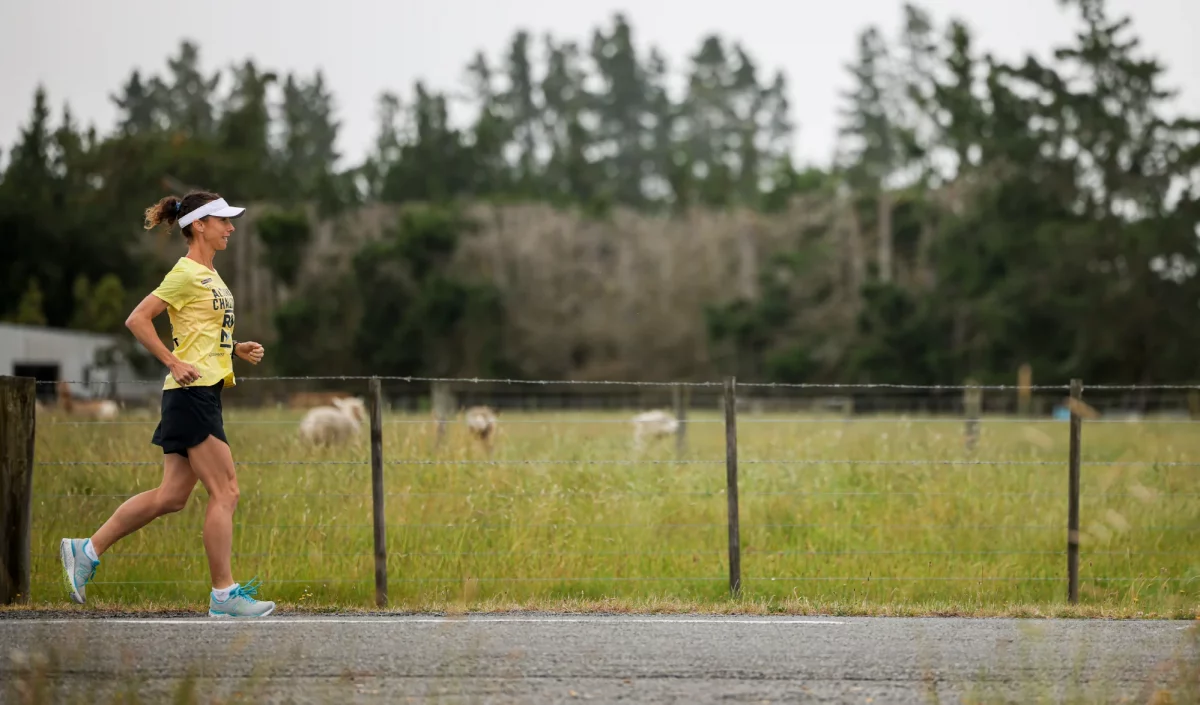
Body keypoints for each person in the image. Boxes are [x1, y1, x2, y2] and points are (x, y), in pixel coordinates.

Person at [59, 190, 276, 618]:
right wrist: (172, 362)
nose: (230, 227)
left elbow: (198, 332)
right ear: (199, 225)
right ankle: (223, 596)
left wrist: (235, 347)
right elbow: (138, 319)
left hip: (199, 391)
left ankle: (86, 549)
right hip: (190, 394)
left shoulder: (211, 275)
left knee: (172, 496)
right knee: (226, 491)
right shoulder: (185, 273)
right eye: (222, 221)